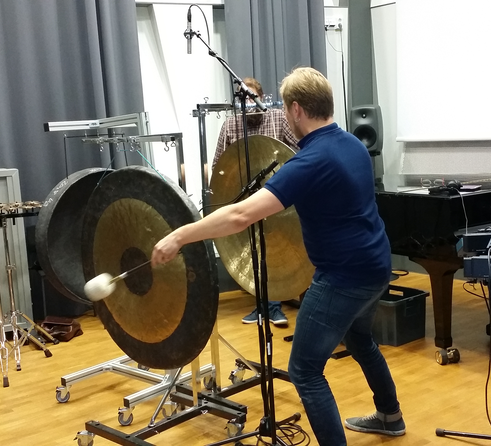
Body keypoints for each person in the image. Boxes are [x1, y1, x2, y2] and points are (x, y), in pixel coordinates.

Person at [153, 67, 403, 445]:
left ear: (297, 110)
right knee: (360, 340)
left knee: (304, 370)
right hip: (377, 265)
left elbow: (240, 215)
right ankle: (390, 416)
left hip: (343, 278)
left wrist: (179, 236)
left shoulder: (310, 161)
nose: (286, 116)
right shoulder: (353, 144)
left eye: (287, 109)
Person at [213, 77, 298, 327]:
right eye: (245, 99)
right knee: (253, 253)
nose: (250, 104)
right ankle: (262, 307)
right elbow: (219, 165)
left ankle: (273, 307)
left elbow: (299, 151)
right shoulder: (230, 125)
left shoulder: (278, 118)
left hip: (278, 196)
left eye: (253, 98)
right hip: (246, 197)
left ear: (261, 98)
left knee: (275, 251)